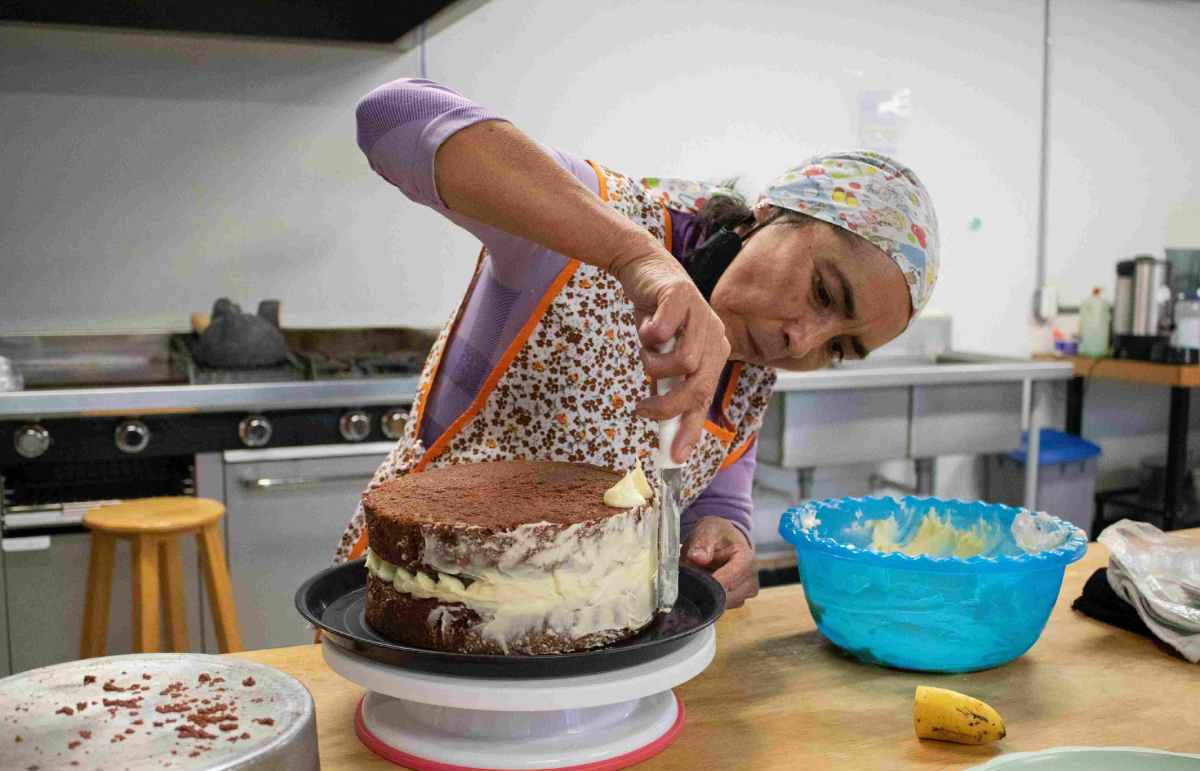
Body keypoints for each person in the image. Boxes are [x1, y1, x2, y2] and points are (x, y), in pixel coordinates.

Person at [334, 79, 939, 608]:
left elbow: (717, 494)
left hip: (580, 645)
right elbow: (389, 116)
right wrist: (633, 257)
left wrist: (723, 537)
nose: (801, 339)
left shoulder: (751, 370)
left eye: (838, 349)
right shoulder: (595, 226)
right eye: (825, 292)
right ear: (771, 214)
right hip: (417, 600)